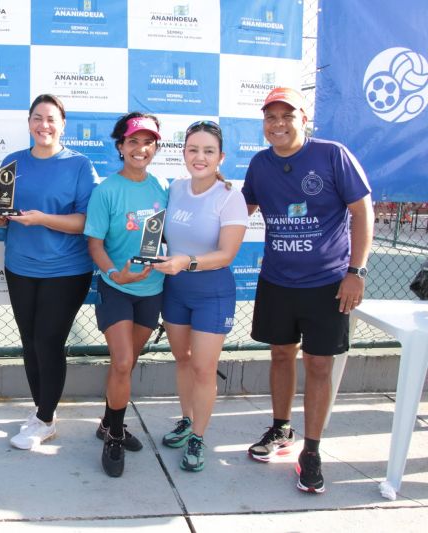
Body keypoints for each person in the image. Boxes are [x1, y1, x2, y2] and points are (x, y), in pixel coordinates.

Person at [242, 87, 373, 494]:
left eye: (287, 116)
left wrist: (356, 271)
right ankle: (281, 429)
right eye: (271, 117)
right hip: (277, 281)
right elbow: (236, 212)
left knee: (319, 366)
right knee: (280, 355)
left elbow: (362, 210)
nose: (278, 124)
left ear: (303, 118)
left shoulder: (332, 154)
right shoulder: (260, 164)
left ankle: (311, 451)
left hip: (329, 284)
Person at [0, 94, 98, 451]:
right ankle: (41, 412)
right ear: (29, 121)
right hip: (20, 267)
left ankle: (45, 420)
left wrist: (42, 219)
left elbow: (85, 222)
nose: (43, 125)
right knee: (30, 343)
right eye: (37, 117)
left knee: (49, 342)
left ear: (63, 124)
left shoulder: (80, 165)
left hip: (66, 270)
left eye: (51, 119)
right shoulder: (12, 162)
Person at [155, 120, 248, 473]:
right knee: (181, 359)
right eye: (193, 149)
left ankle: (198, 435)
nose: (200, 157)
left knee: (203, 366)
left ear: (220, 157)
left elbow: (226, 255)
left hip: (212, 293)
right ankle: (185, 418)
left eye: (208, 151)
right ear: (184, 153)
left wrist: (187, 262)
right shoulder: (176, 188)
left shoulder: (230, 197)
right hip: (175, 290)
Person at [84, 113, 168, 477]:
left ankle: (107, 421)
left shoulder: (163, 187)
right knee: (121, 362)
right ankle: (115, 435)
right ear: (120, 147)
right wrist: (116, 273)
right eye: (133, 141)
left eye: (147, 142)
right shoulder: (106, 190)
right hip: (117, 286)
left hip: (152, 289)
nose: (140, 148)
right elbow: (94, 244)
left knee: (129, 361)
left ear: (155, 148)